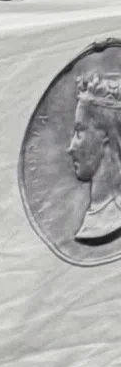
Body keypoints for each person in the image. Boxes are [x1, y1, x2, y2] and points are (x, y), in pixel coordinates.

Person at [70, 71, 121, 246]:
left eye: (79, 131)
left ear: (106, 135)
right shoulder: (97, 213)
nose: (71, 147)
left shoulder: (114, 215)